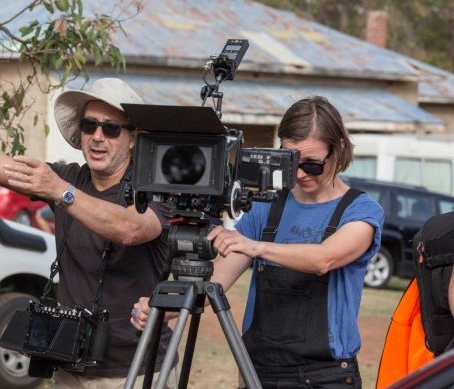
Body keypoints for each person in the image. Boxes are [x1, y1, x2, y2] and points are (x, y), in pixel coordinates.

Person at [0, 77, 176, 388]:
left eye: (111, 129)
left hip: (138, 370)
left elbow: (130, 228)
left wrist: (61, 192)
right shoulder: (68, 177)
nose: (97, 137)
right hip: (69, 362)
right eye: (89, 126)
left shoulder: (154, 190)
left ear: (132, 138)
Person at [132, 96, 384, 389]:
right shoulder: (267, 208)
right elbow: (215, 281)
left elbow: (323, 259)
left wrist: (256, 247)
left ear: (338, 148)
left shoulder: (362, 212)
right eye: (290, 161)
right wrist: (163, 309)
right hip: (259, 372)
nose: (300, 174)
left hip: (325, 377)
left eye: (312, 165)